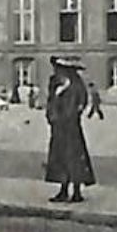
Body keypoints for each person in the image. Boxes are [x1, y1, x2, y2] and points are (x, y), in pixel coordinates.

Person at [44, 57, 95, 203]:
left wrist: (72, 115)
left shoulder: (76, 86)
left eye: (59, 69)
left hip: (71, 129)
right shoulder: (55, 84)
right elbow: (51, 102)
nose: (57, 71)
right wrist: (51, 115)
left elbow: (82, 102)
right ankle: (63, 189)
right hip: (58, 128)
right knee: (60, 158)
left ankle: (77, 192)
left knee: (74, 158)